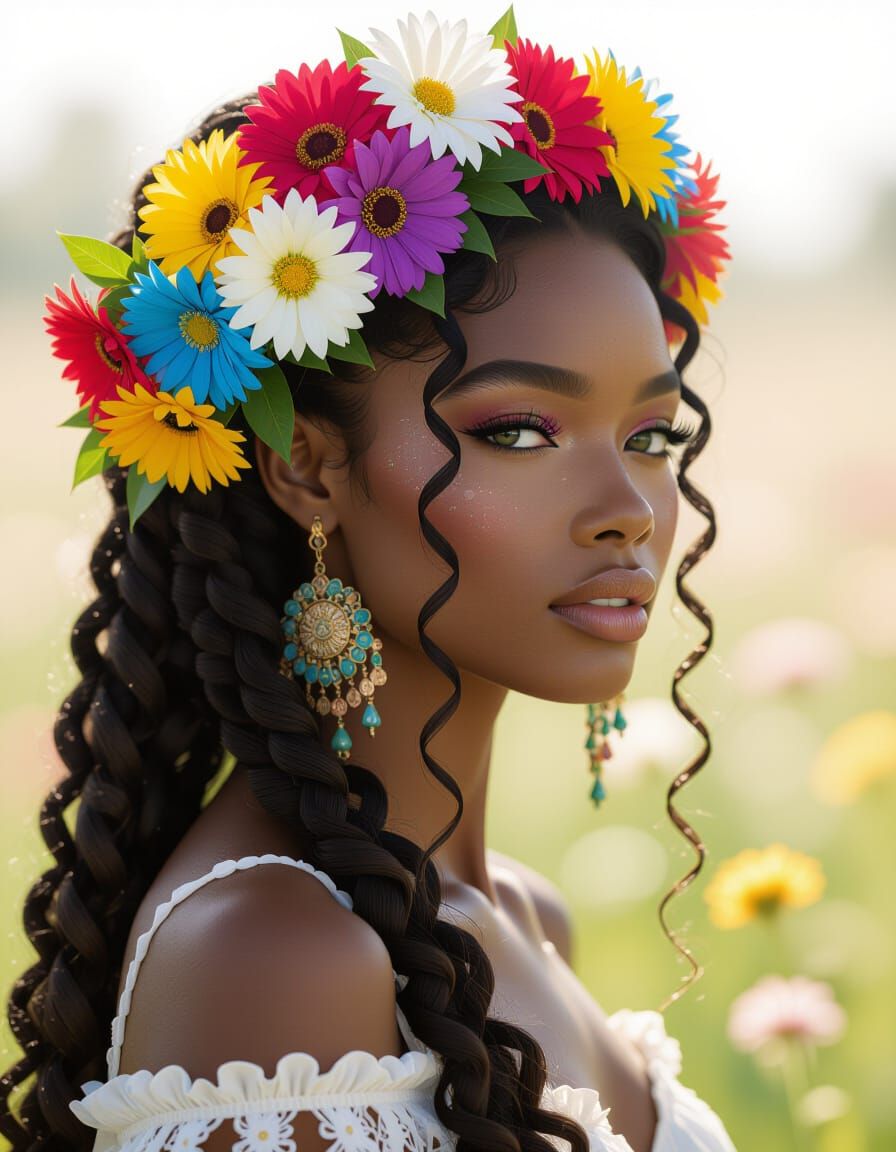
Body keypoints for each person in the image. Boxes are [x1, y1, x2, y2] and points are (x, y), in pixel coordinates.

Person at [2, 9, 736, 1152]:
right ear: (306, 467)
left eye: (650, 435)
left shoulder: (522, 918)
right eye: (520, 431)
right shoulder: (273, 955)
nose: (629, 509)